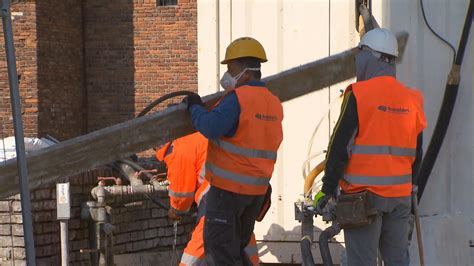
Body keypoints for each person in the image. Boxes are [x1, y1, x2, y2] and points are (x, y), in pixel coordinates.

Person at [313, 28, 427, 266]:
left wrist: (327, 188)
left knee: (362, 261)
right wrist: (412, 185)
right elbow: (418, 151)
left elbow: (339, 146)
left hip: (363, 199)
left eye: (360, 55)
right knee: (397, 261)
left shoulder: (360, 94)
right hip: (399, 199)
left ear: (370, 57)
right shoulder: (411, 99)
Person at [183, 37, 284, 265]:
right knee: (237, 249)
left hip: (228, 191)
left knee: (220, 251)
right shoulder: (273, 102)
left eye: (231, 69)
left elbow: (210, 127)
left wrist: (195, 108)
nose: (227, 75)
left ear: (246, 72)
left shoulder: (238, 98)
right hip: (256, 192)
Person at [155, 132, 259, 265]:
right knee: (243, 242)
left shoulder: (178, 148)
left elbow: (182, 193)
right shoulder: (204, 136)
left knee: (193, 256)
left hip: (217, 202)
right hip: (242, 197)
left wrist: (176, 210)